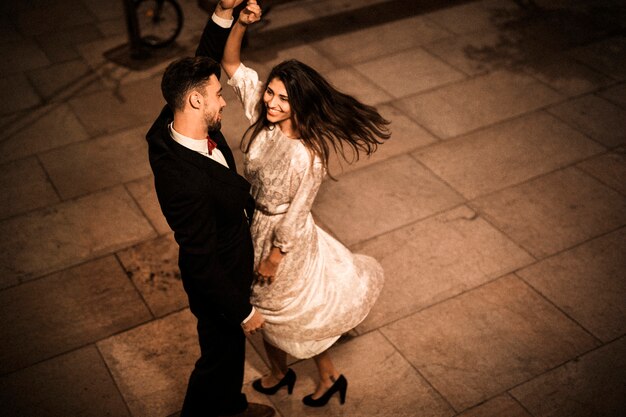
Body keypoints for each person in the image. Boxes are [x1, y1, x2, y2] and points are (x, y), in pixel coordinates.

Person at [221, 1, 389, 407]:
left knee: (289, 317)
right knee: (263, 313)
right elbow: (231, 66)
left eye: (282, 99)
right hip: (252, 223)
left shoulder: (307, 156)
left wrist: (274, 259)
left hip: (282, 242)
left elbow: (296, 216)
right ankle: (280, 373)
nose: (272, 103)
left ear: (301, 103)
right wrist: (240, 23)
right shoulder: (266, 122)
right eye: (271, 94)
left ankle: (328, 376)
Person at [146, 1, 274, 416]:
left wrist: (223, 13)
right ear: (197, 103)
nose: (224, 102)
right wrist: (243, 309)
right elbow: (201, 262)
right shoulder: (182, 181)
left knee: (227, 355)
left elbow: (203, 64)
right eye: (218, 96)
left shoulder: (169, 125)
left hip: (228, 264)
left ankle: (231, 405)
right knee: (217, 359)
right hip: (219, 279)